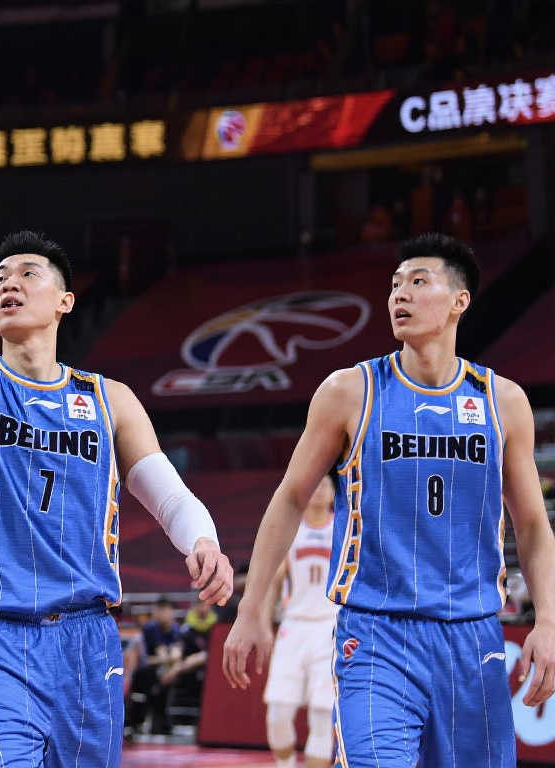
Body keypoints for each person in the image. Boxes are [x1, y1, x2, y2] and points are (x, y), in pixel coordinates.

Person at [0, 123, 233, 767]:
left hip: (87, 643)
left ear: (65, 301)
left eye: (27, 272)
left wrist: (202, 539)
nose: (8, 282)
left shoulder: (110, 399)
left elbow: (168, 496)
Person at [224, 233, 555, 767]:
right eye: (395, 284)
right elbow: (289, 498)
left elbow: (534, 525)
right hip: (376, 636)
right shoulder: (349, 391)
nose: (400, 294)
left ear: (460, 301)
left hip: (473, 637)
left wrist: (550, 621)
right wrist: (252, 609)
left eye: (418, 282)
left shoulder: (503, 401)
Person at [260, 474, 337, 768]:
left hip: (330, 626)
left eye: (325, 485)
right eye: (314, 485)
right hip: (294, 625)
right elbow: (274, 582)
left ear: (334, 493)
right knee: (277, 713)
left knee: (322, 714)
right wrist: (264, 624)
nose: (318, 490)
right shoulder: (292, 529)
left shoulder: (343, 528)